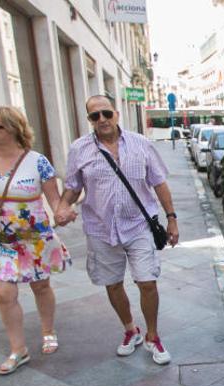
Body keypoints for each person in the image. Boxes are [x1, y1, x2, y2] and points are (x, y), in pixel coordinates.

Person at [56, 95, 179, 365]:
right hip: (100, 228)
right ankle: (129, 330)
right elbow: (73, 186)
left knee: (147, 282)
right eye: (94, 116)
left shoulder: (141, 144)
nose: (101, 120)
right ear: (89, 120)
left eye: (106, 114)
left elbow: (159, 183)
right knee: (112, 284)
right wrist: (63, 205)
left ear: (116, 113)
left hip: (138, 225)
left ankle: (152, 335)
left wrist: (171, 218)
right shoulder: (79, 149)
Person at [0, 107, 70, 375]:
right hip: (0, 240)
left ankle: (48, 330)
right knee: (3, 293)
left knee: (41, 287)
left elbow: (55, 201)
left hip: (34, 238)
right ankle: (17, 349)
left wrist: (63, 211)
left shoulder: (37, 161)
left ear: (12, 128)